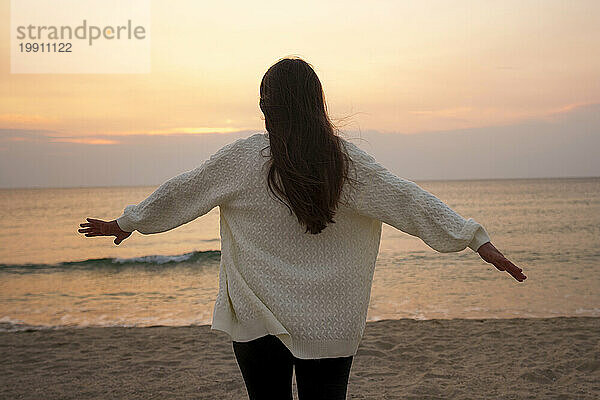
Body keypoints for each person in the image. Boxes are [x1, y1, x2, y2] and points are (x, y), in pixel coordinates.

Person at [79, 56, 526, 400]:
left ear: (265, 107)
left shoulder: (243, 160)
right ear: (317, 103)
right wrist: (473, 238)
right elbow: (408, 200)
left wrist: (128, 221)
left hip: (257, 320)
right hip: (330, 321)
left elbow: (182, 193)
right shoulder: (347, 164)